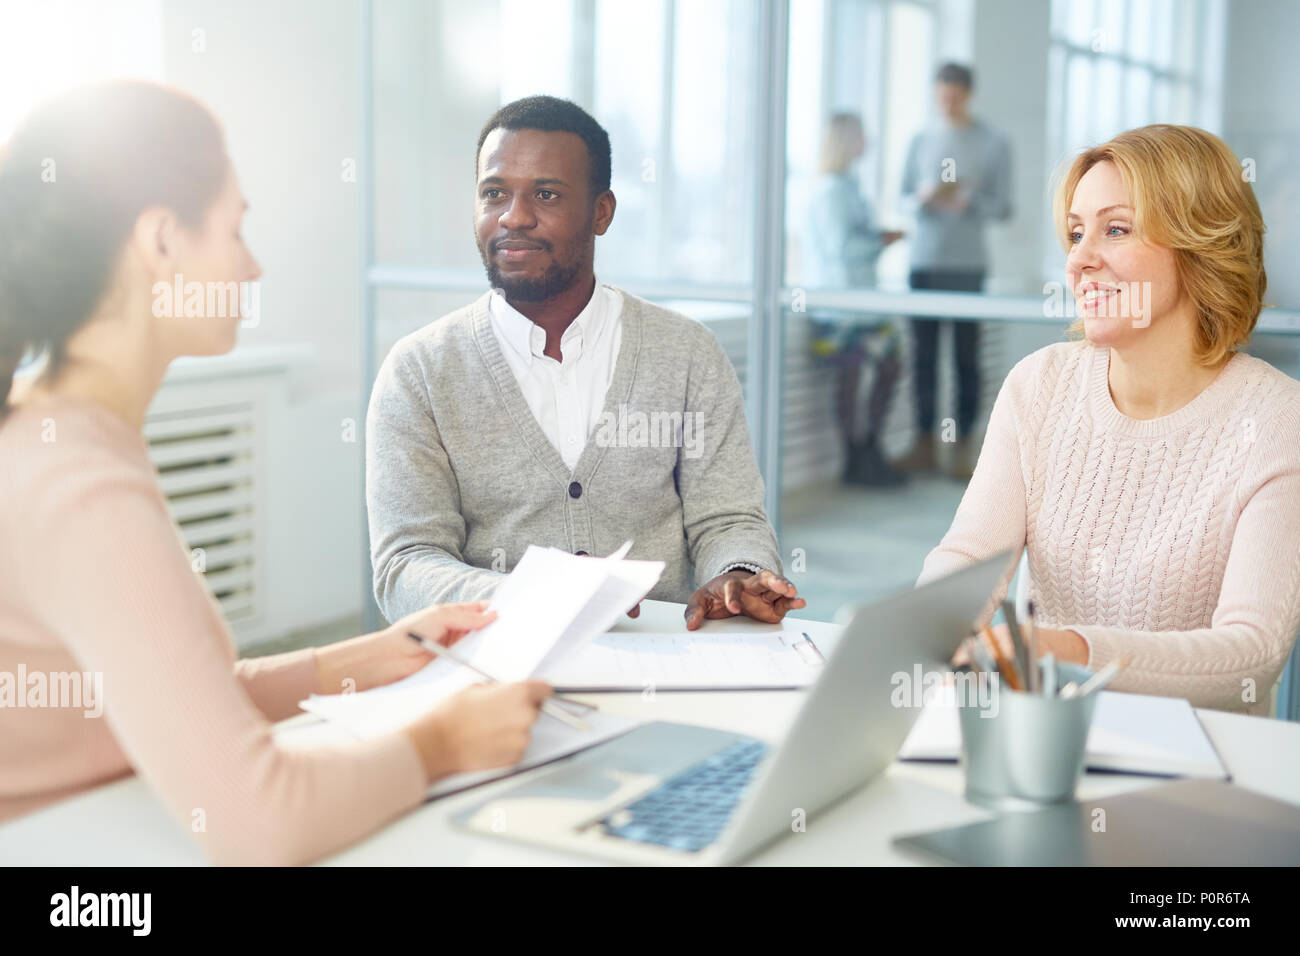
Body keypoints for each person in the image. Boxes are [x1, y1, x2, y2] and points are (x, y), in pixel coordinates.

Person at [0, 81, 552, 864]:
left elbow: (162, 694)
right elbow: (263, 821)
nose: (252, 268)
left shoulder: (58, 434)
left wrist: (360, 660)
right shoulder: (76, 485)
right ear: (161, 244)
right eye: (234, 230)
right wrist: (440, 744)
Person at [366, 95, 803, 631]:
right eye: (494, 193)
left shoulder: (687, 353)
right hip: (490, 680)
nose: (514, 217)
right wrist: (543, 597)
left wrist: (737, 576)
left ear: (602, 213)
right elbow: (405, 566)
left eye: (546, 194)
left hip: (661, 674)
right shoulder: (419, 372)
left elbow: (728, 517)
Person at [918, 124, 1300, 715]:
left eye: (1114, 230)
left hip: (1201, 772)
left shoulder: (1277, 420)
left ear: (1199, 243)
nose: (1079, 260)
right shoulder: (1039, 385)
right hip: (1046, 746)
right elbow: (969, 556)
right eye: (1075, 233)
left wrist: (1063, 650)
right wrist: (925, 638)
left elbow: (1251, 652)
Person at [897, 62, 1012, 480]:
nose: (947, 103)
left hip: (967, 266)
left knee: (966, 359)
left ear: (969, 94)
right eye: (941, 95)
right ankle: (925, 443)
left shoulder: (993, 142)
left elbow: (1004, 205)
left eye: (955, 96)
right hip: (923, 263)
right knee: (923, 358)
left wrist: (969, 201)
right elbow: (901, 200)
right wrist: (924, 197)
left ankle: (963, 448)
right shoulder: (919, 139)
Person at [801, 113, 906, 486]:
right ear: (845, 140)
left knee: (889, 365)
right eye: (861, 136)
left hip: (863, 303)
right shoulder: (829, 190)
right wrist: (882, 240)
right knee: (849, 377)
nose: (868, 142)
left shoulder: (851, 186)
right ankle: (856, 459)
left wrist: (879, 238)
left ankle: (869, 449)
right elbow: (841, 247)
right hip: (840, 307)